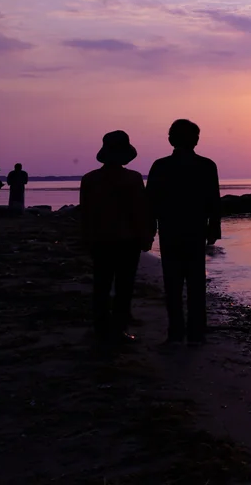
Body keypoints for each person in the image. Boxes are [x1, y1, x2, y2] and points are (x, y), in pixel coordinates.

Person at [146, 119, 221, 346]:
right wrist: (213, 228)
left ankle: (176, 333)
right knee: (196, 284)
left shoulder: (160, 166)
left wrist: (150, 230)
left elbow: (150, 202)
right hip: (195, 231)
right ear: (195, 140)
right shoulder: (207, 166)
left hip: (170, 231)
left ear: (171, 139)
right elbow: (214, 201)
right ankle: (196, 334)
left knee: (173, 284)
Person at [79, 131, 154, 345]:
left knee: (101, 285)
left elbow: (86, 213)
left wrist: (86, 238)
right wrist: (146, 236)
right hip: (126, 241)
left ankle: (101, 327)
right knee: (124, 286)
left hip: (100, 240)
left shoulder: (90, 179)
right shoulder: (132, 178)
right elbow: (140, 211)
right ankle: (118, 329)